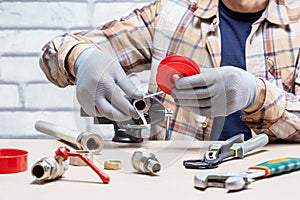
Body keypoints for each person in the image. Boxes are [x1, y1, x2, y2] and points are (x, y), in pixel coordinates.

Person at [39, 0, 300, 141]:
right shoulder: (167, 15)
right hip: (175, 186)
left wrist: (257, 95)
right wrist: (82, 58)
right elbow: (56, 49)